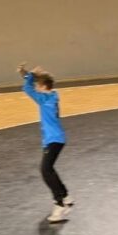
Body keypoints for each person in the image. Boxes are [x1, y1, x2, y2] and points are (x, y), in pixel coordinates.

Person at [19, 63, 73, 223]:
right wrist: (30, 75)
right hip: (56, 139)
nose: (36, 88)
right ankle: (66, 196)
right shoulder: (53, 95)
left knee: (45, 170)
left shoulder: (44, 100)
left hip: (53, 140)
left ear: (43, 86)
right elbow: (32, 87)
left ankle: (60, 204)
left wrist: (29, 76)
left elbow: (27, 89)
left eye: (38, 85)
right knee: (49, 169)